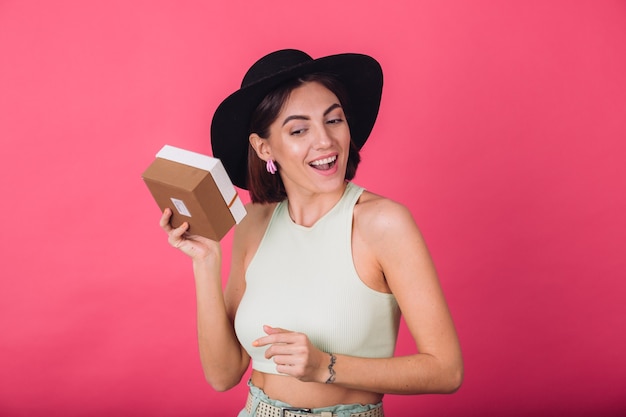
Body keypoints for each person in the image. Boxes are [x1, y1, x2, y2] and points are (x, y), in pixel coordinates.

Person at [160, 49, 463, 417]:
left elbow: (446, 370)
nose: (325, 141)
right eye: (299, 129)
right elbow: (223, 375)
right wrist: (206, 263)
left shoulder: (383, 223)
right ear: (264, 147)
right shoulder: (255, 222)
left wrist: (326, 366)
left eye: (333, 120)